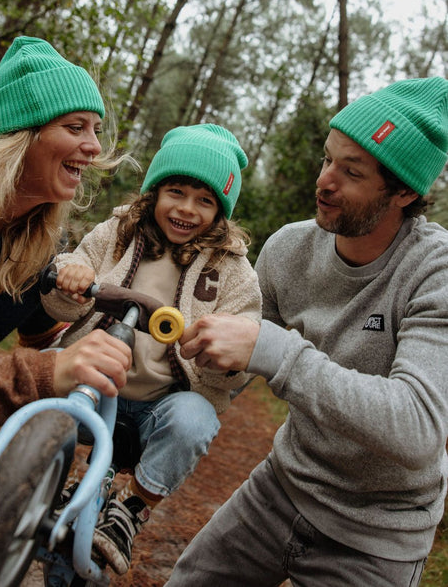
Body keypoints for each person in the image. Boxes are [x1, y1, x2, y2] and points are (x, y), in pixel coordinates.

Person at [165, 76, 448, 587]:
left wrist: (277, 351)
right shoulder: (288, 250)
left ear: (404, 191)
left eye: (352, 172)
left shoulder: (435, 272)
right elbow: (237, 368)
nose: (324, 181)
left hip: (377, 537)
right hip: (282, 487)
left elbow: (418, 429)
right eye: (327, 159)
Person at [0, 35, 133, 587]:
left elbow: (44, 344)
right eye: (74, 127)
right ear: (23, 135)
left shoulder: (30, 246)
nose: (92, 146)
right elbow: (38, 368)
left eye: (96, 130)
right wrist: (41, 374)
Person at [41, 123, 262, 575]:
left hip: (160, 406)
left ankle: (131, 511)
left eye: (205, 200)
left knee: (195, 418)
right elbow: (70, 272)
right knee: (42, 371)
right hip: (93, 381)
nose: (186, 208)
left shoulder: (233, 270)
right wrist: (72, 275)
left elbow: (243, 345)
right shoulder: (119, 231)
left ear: (221, 212)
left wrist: (222, 348)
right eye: (176, 192)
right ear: (155, 192)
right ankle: (41, 478)